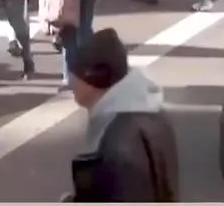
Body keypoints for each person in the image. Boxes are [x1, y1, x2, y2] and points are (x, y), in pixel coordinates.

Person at [65, 29, 179, 202]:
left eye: (73, 75)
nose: (70, 83)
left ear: (92, 79)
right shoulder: (154, 114)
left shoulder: (115, 146)